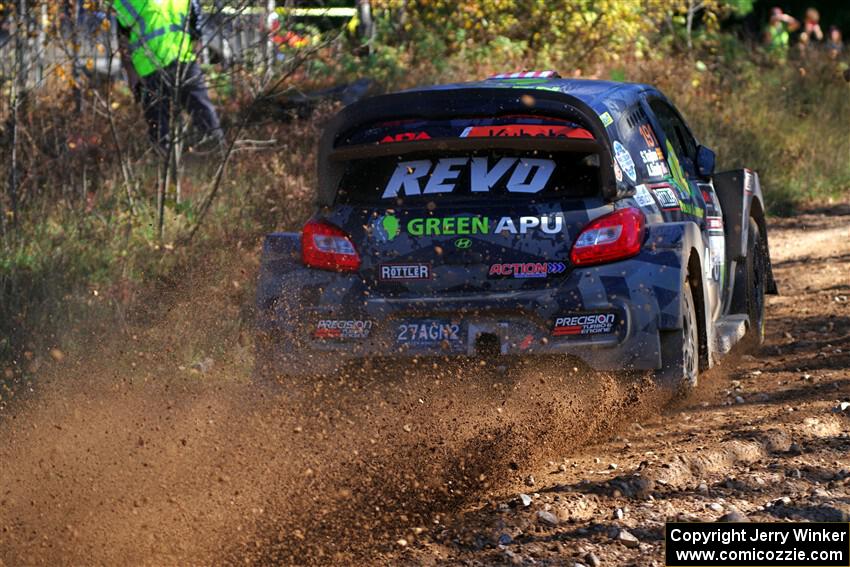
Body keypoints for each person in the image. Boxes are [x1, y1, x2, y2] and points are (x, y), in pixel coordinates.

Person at [113, 0, 223, 150]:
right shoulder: (126, 2)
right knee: (159, 131)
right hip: (150, 71)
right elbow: (123, 40)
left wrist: (195, 56)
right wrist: (132, 75)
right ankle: (164, 166)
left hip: (183, 63)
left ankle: (219, 157)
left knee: (205, 117)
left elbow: (195, 26)